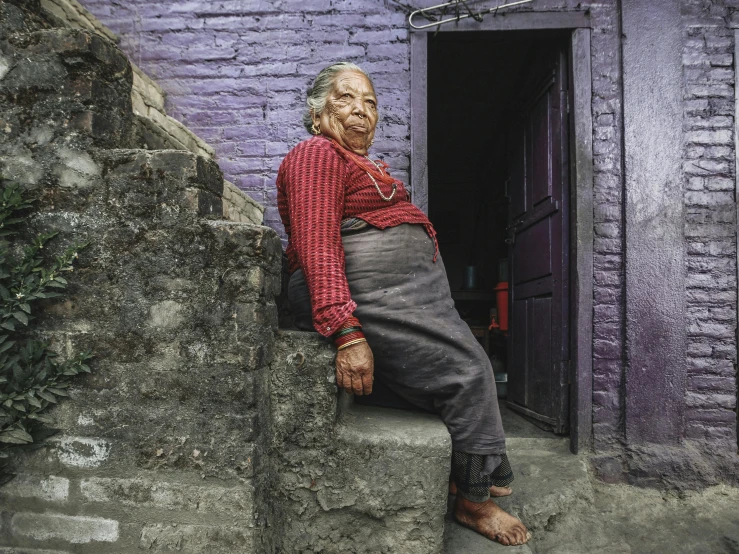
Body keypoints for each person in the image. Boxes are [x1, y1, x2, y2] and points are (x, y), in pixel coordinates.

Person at [276, 61, 530, 547]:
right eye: (345, 99)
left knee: (465, 363)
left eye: (370, 103)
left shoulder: (363, 167)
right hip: (358, 293)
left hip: (400, 298)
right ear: (316, 114)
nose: (361, 111)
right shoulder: (316, 154)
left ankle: (468, 471)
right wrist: (345, 330)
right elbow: (316, 242)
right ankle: (474, 504)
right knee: (468, 369)